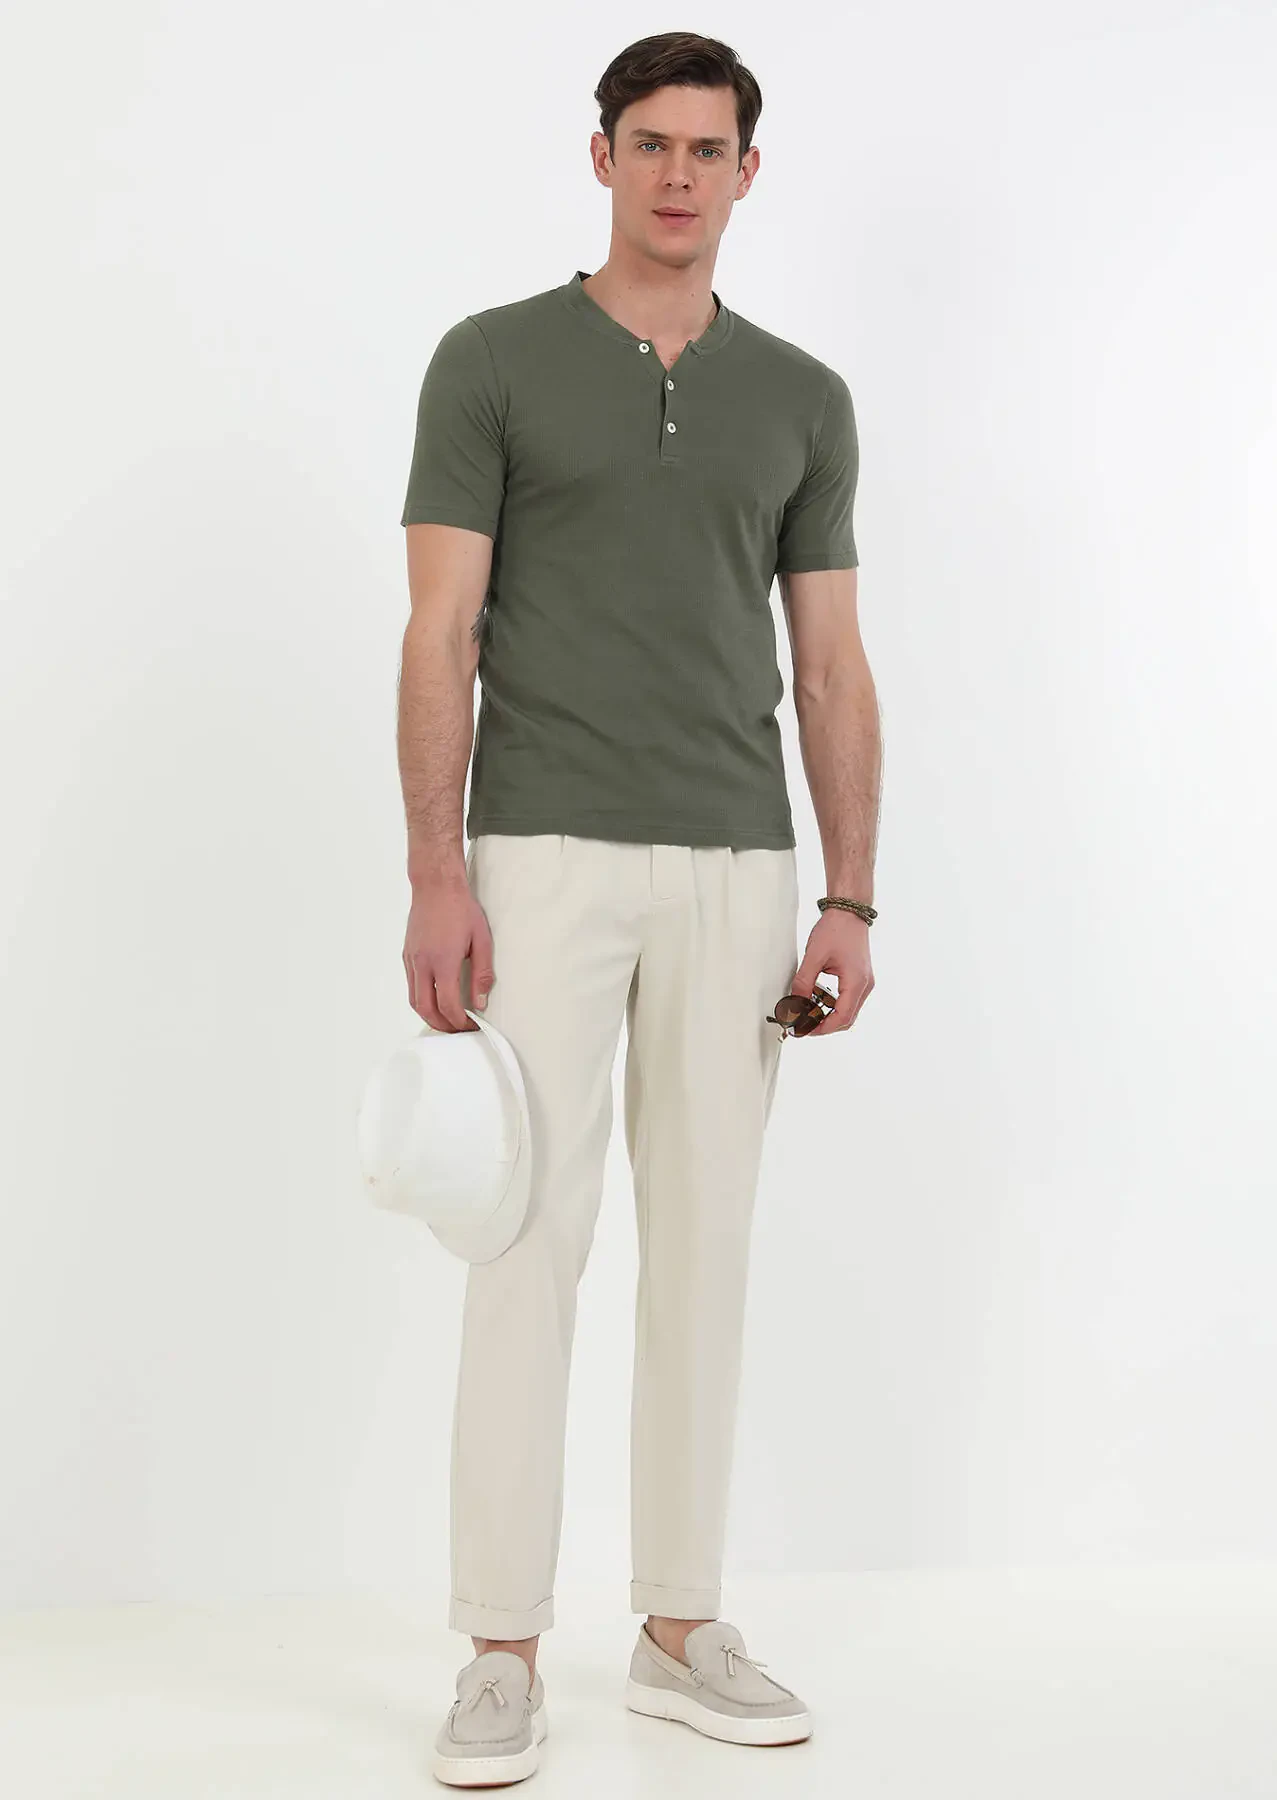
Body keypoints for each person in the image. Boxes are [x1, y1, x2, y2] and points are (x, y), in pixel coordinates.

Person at [396, 30, 881, 1787]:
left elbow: (829, 664)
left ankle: (681, 1629)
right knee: (525, 1239)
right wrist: (437, 870)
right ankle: (501, 1649)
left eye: (710, 148)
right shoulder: (492, 363)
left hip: (741, 866)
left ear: (750, 172)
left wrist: (849, 894)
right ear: (599, 156)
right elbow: (441, 629)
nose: (681, 173)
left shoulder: (803, 397)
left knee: (706, 1248)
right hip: (541, 856)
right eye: (652, 142)